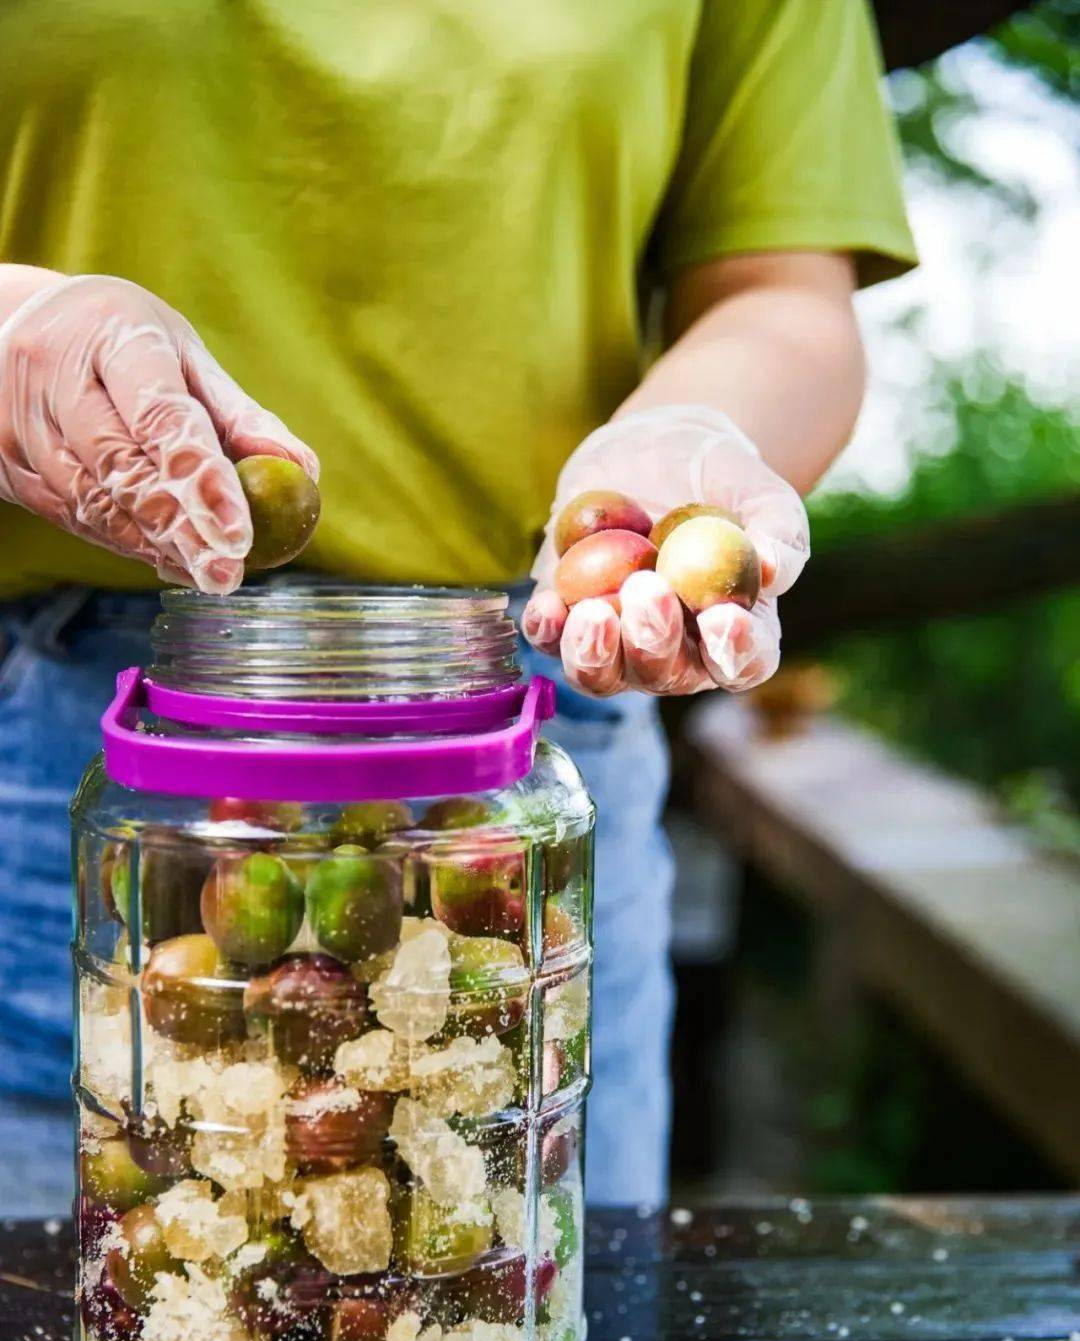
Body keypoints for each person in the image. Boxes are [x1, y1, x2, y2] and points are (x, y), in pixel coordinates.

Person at [0, 0, 915, 1212]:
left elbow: (783, 293)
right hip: (97, 727)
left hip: (528, 717)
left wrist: (685, 433)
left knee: (506, 1307)